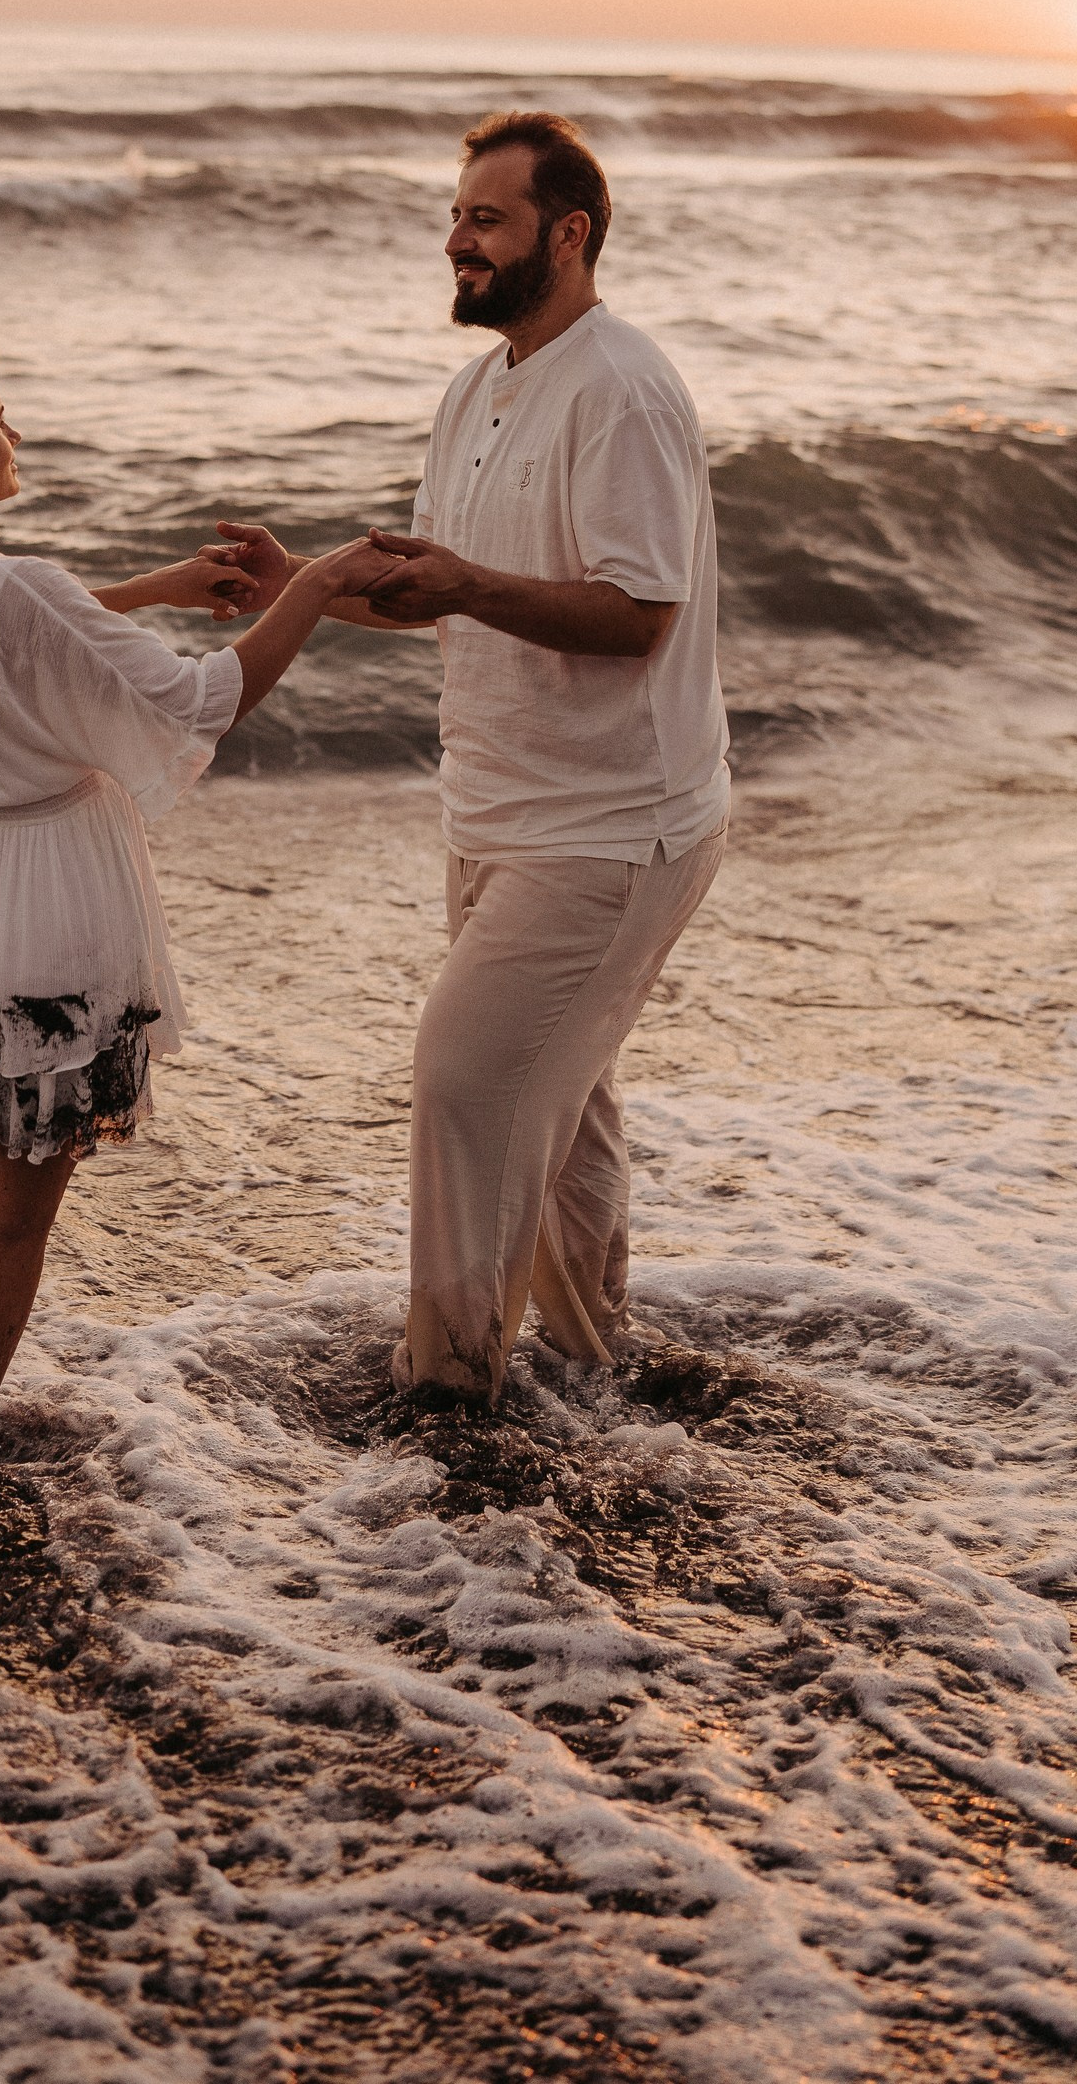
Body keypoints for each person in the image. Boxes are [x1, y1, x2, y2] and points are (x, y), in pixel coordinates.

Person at [0, 331, 390, 1466]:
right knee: (14, 1216)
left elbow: (7, 639)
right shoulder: (16, 593)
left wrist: (152, 589)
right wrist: (310, 587)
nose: (12, 434)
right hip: (45, 918)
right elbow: (203, 701)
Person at [208, 111, 729, 1406]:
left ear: (571, 234)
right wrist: (308, 591)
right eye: (456, 217)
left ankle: (450, 1396)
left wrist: (463, 582)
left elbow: (638, 612)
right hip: (496, 812)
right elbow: (441, 591)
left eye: (485, 220)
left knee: (462, 1085)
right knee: (559, 1108)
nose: (457, 241)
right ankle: (598, 1365)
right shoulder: (475, 390)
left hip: (615, 827)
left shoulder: (621, 389)